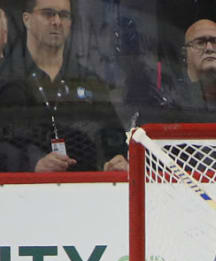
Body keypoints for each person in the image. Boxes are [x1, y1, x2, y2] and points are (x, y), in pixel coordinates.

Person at [0, 0, 127, 172]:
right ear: (26, 19)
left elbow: (114, 140)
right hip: (19, 193)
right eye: (48, 13)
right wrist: (32, 164)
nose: (57, 21)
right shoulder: (6, 79)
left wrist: (117, 161)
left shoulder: (88, 82)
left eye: (64, 15)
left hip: (88, 192)